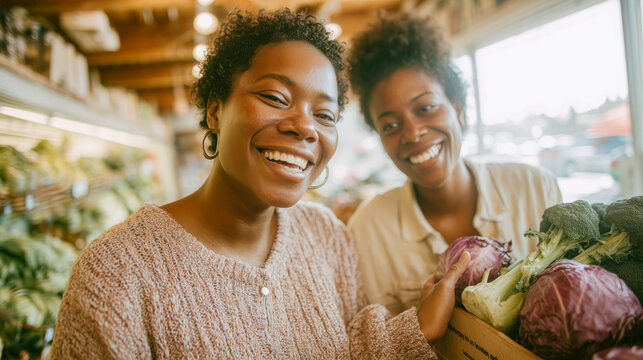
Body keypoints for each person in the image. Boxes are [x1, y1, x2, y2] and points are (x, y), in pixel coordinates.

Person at [51, 9, 470, 359]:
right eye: (274, 97)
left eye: (324, 115)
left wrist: (415, 327)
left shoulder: (326, 236)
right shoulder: (117, 272)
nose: (305, 127)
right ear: (215, 111)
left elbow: (349, 348)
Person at [346, 14, 562, 315]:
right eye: (390, 125)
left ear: (458, 111)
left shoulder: (536, 188)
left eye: (426, 108)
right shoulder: (369, 229)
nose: (412, 133)